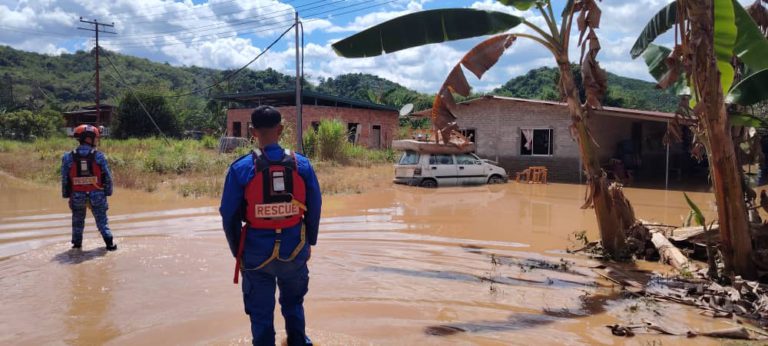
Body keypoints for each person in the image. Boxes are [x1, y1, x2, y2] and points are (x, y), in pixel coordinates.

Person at [220, 106, 322, 346]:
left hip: (256, 253)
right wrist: (309, 243)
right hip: (294, 249)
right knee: (294, 304)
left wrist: (238, 252)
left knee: (261, 314)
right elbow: (315, 207)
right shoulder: (302, 165)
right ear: (281, 129)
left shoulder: (240, 168)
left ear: (253, 132)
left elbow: (228, 215)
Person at [61, 124, 117, 251]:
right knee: (102, 222)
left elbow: (65, 179)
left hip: (77, 196)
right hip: (97, 195)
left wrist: (67, 195)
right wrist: (108, 193)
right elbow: (107, 177)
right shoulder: (99, 156)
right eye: (96, 138)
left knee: (77, 223)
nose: (97, 140)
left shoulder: (67, 157)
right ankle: (110, 245)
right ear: (89, 138)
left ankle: (76, 246)